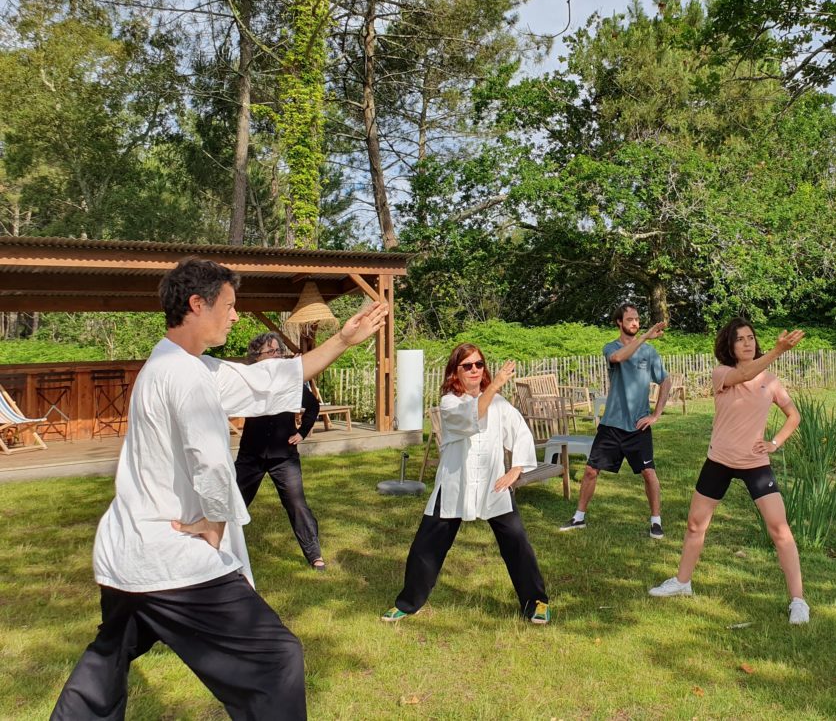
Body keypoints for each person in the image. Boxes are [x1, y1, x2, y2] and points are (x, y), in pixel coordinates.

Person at [52, 258, 388, 720]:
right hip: (172, 558)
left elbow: (272, 378)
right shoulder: (186, 376)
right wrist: (215, 521)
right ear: (197, 304)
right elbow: (209, 457)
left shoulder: (184, 365)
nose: (235, 315)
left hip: (127, 555)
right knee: (275, 659)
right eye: (229, 306)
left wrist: (343, 340)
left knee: (107, 658)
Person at [648, 317, 811, 625]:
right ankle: (683, 582)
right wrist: (778, 350)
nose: (747, 342)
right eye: (740, 339)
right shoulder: (722, 373)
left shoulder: (771, 382)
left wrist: (774, 442)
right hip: (719, 461)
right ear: (729, 345)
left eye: (751, 337)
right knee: (696, 525)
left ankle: (798, 601)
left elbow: (793, 415)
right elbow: (745, 373)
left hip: (755, 464)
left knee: (780, 531)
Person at [381, 343, 550, 624]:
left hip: (492, 485)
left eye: (479, 364)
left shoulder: (498, 403)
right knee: (426, 547)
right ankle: (408, 602)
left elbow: (520, 432)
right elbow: (471, 416)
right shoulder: (450, 402)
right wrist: (495, 386)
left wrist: (516, 469)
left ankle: (536, 602)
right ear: (455, 372)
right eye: (467, 366)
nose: (474, 370)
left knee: (517, 542)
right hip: (453, 486)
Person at [560, 302, 673, 538]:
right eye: (630, 319)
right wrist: (644, 337)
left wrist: (656, 414)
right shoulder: (610, 347)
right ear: (619, 323)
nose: (635, 323)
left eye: (637, 319)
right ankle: (578, 517)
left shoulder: (650, 353)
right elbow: (619, 358)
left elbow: (665, 380)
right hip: (611, 424)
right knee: (591, 471)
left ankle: (656, 521)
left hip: (638, 426)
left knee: (649, 473)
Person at [236, 332, 325, 571]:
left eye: (279, 351)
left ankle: (314, 555)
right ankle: (217, 550)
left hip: (283, 457)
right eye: (271, 351)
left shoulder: (288, 381)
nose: (277, 356)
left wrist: (302, 432)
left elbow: (313, 406)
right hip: (250, 455)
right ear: (256, 357)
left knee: (297, 504)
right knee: (234, 502)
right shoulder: (248, 380)